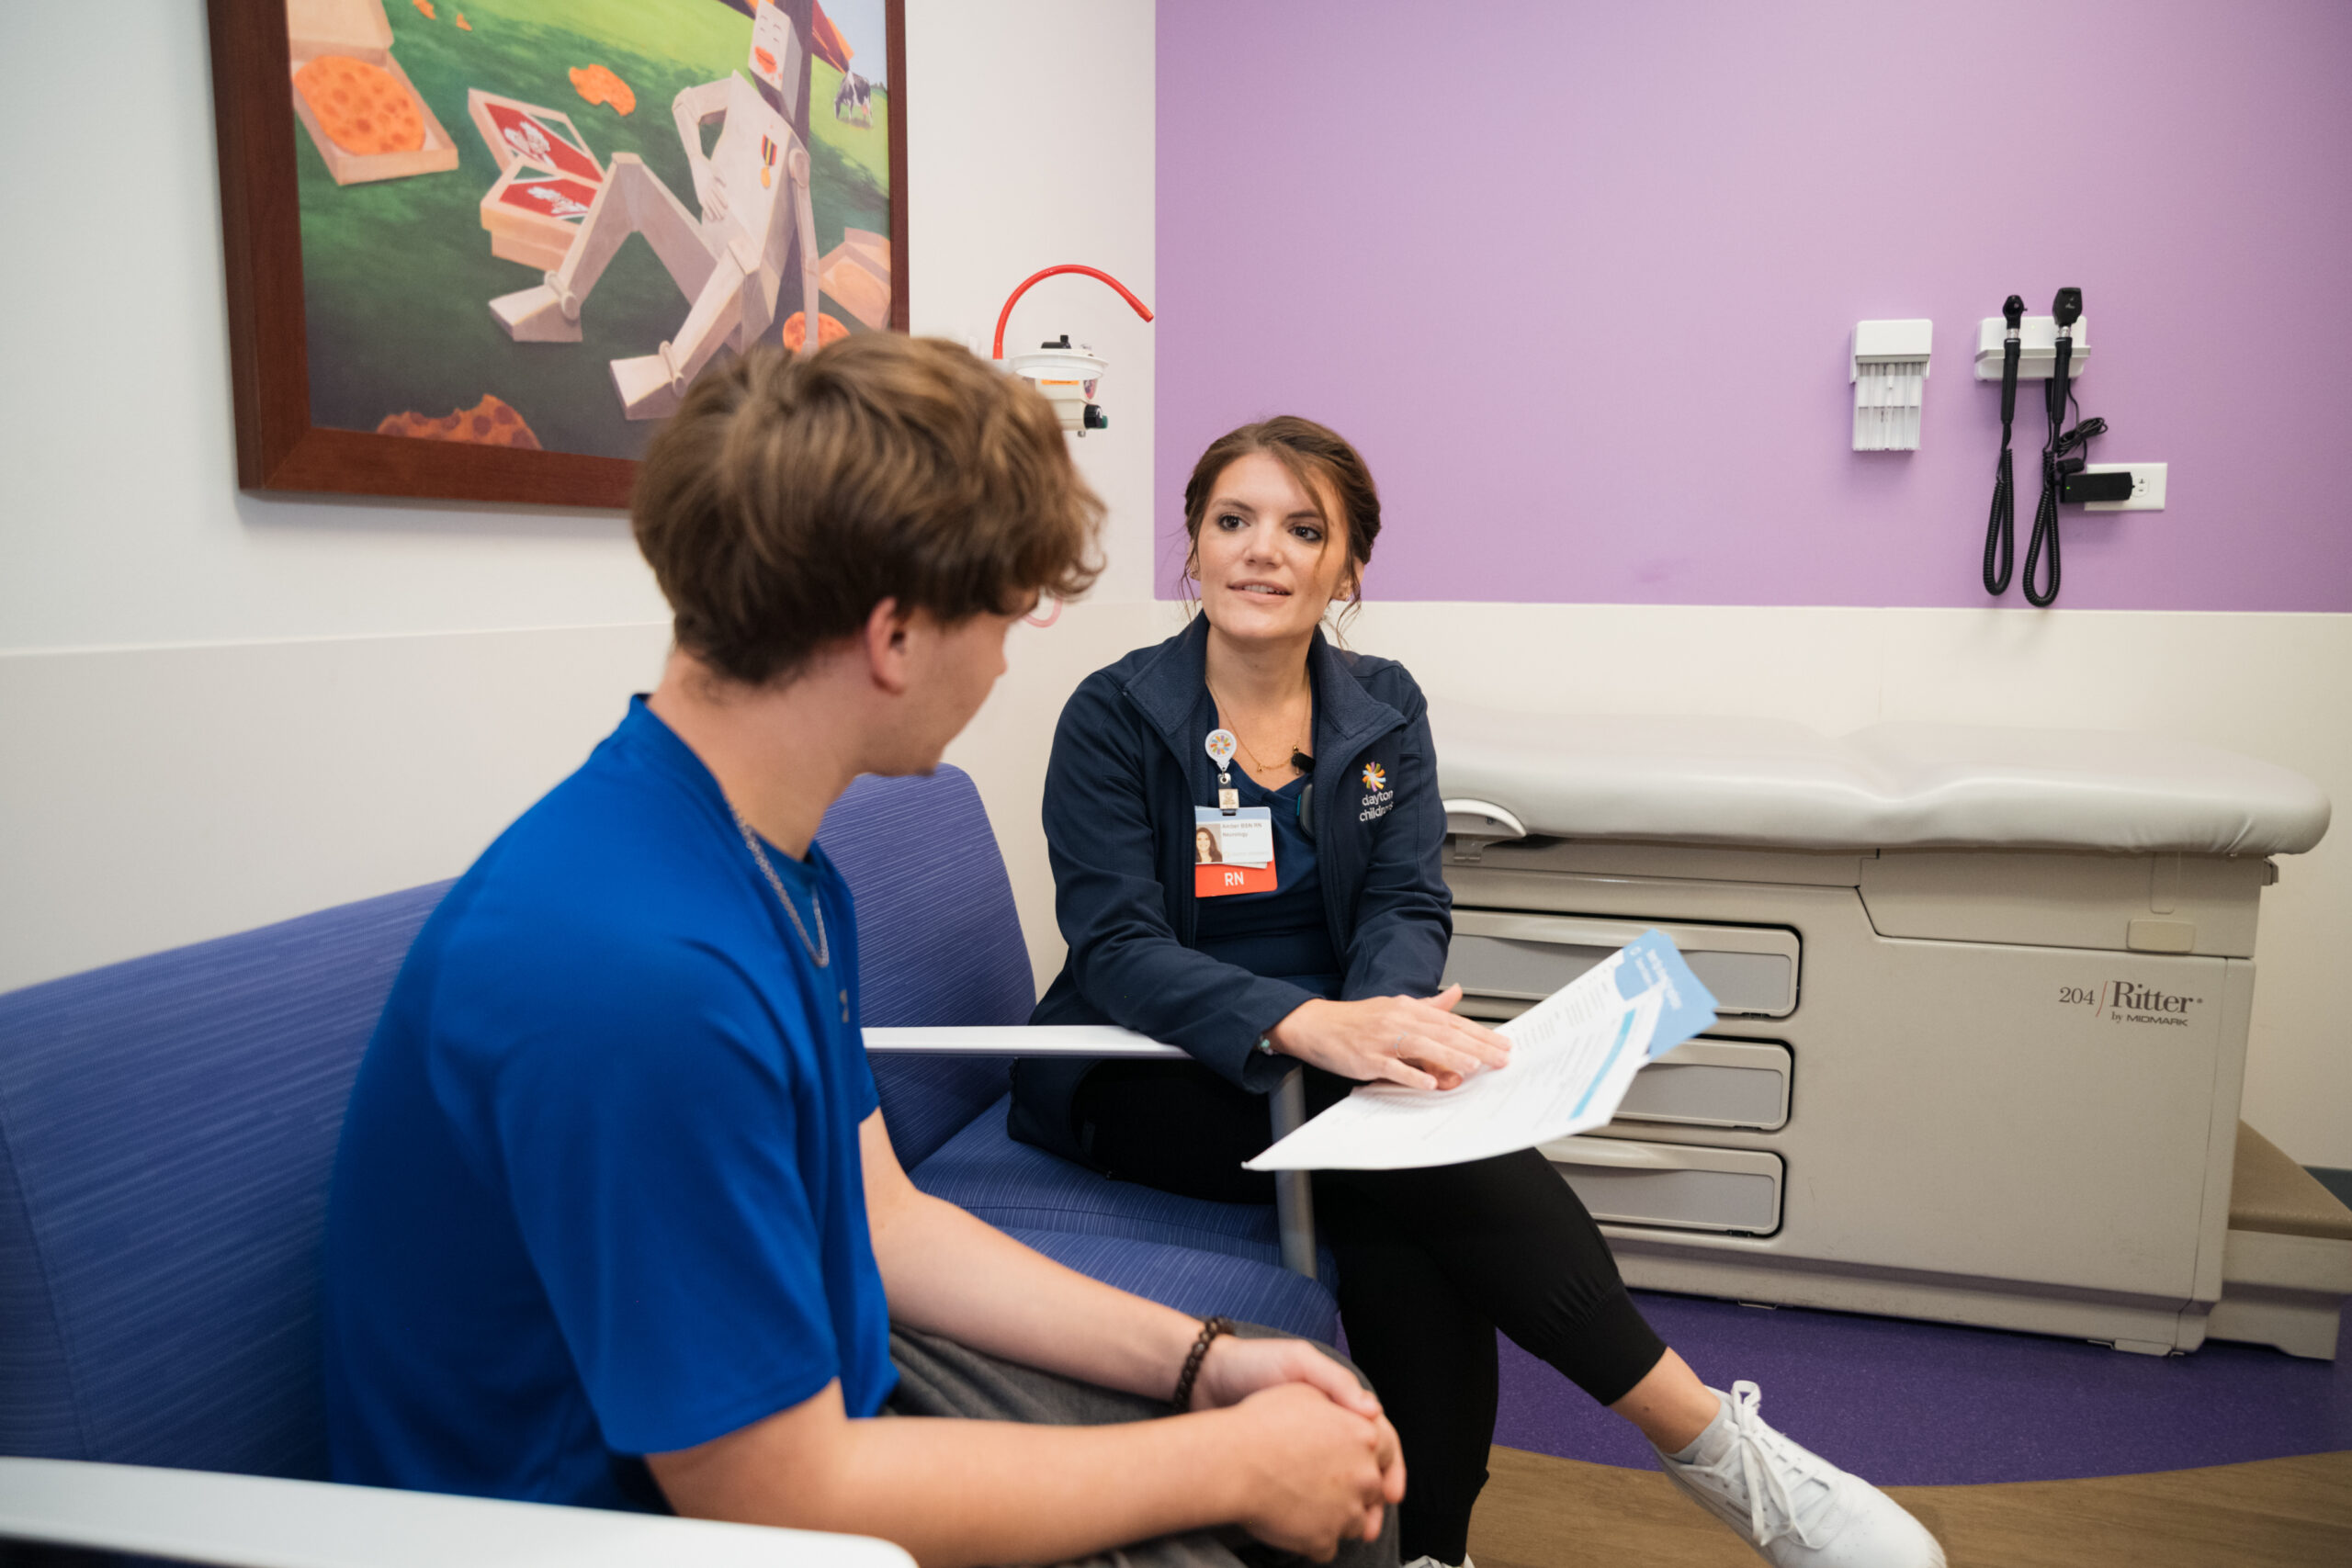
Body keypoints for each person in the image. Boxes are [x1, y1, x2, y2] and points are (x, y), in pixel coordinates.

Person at [322, 341, 1408, 1568]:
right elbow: (771, 1491)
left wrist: (1208, 1358)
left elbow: (884, 1222)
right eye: (1005, 617)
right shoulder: (639, 973)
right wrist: (1231, 1457)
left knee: (1315, 1486)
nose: (1005, 661)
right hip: (623, 1519)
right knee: (1281, 1519)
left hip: (789, 1419)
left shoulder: (765, 861)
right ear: (896, 636)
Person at [1011, 417, 1945, 1568]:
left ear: (1347, 568)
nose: (1262, 552)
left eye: (1303, 529)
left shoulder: (1383, 708)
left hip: (1344, 1060)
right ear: (1193, 549)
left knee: (1398, 1201)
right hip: (1151, 1064)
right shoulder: (1114, 716)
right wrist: (1314, 1027)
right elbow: (1113, 945)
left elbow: (1408, 901)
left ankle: (1430, 1551)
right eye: (1232, 522)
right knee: (1413, 1165)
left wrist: (1387, 1027)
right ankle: (1707, 1442)